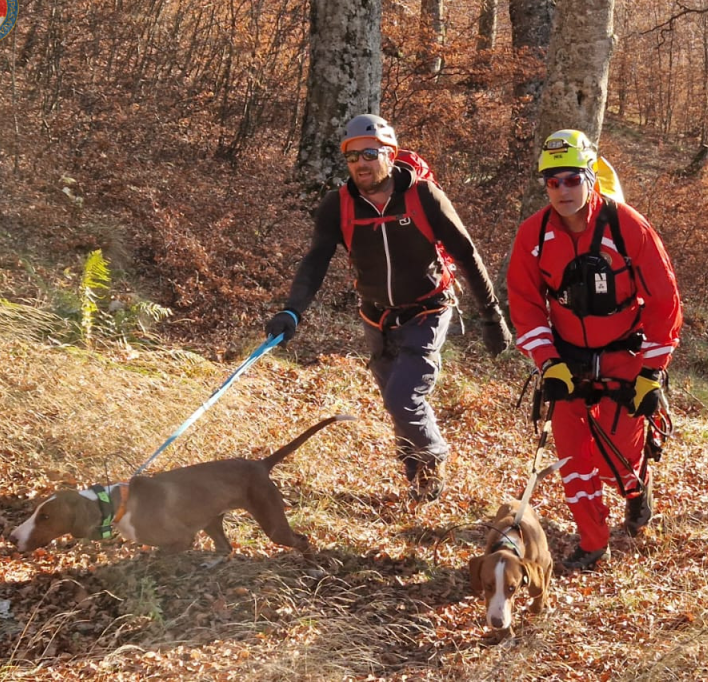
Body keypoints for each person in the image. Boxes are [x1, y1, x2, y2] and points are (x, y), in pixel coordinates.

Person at [266, 114, 511, 502]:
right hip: (376, 316)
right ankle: (416, 478)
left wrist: (491, 317)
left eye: (369, 153)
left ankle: (433, 464)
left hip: (428, 310)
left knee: (403, 397)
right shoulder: (339, 205)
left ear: (390, 154)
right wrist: (292, 311)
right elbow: (315, 261)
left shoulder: (423, 196)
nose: (360, 164)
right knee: (395, 401)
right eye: (351, 157)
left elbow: (466, 253)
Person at [507, 129, 682, 571]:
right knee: (573, 458)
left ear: (590, 177)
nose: (562, 190)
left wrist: (652, 370)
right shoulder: (534, 233)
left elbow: (664, 301)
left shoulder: (628, 226)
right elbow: (525, 303)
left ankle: (636, 488)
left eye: (571, 179)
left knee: (618, 456)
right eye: (552, 182)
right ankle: (592, 540)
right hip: (568, 361)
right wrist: (548, 362)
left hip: (626, 355)